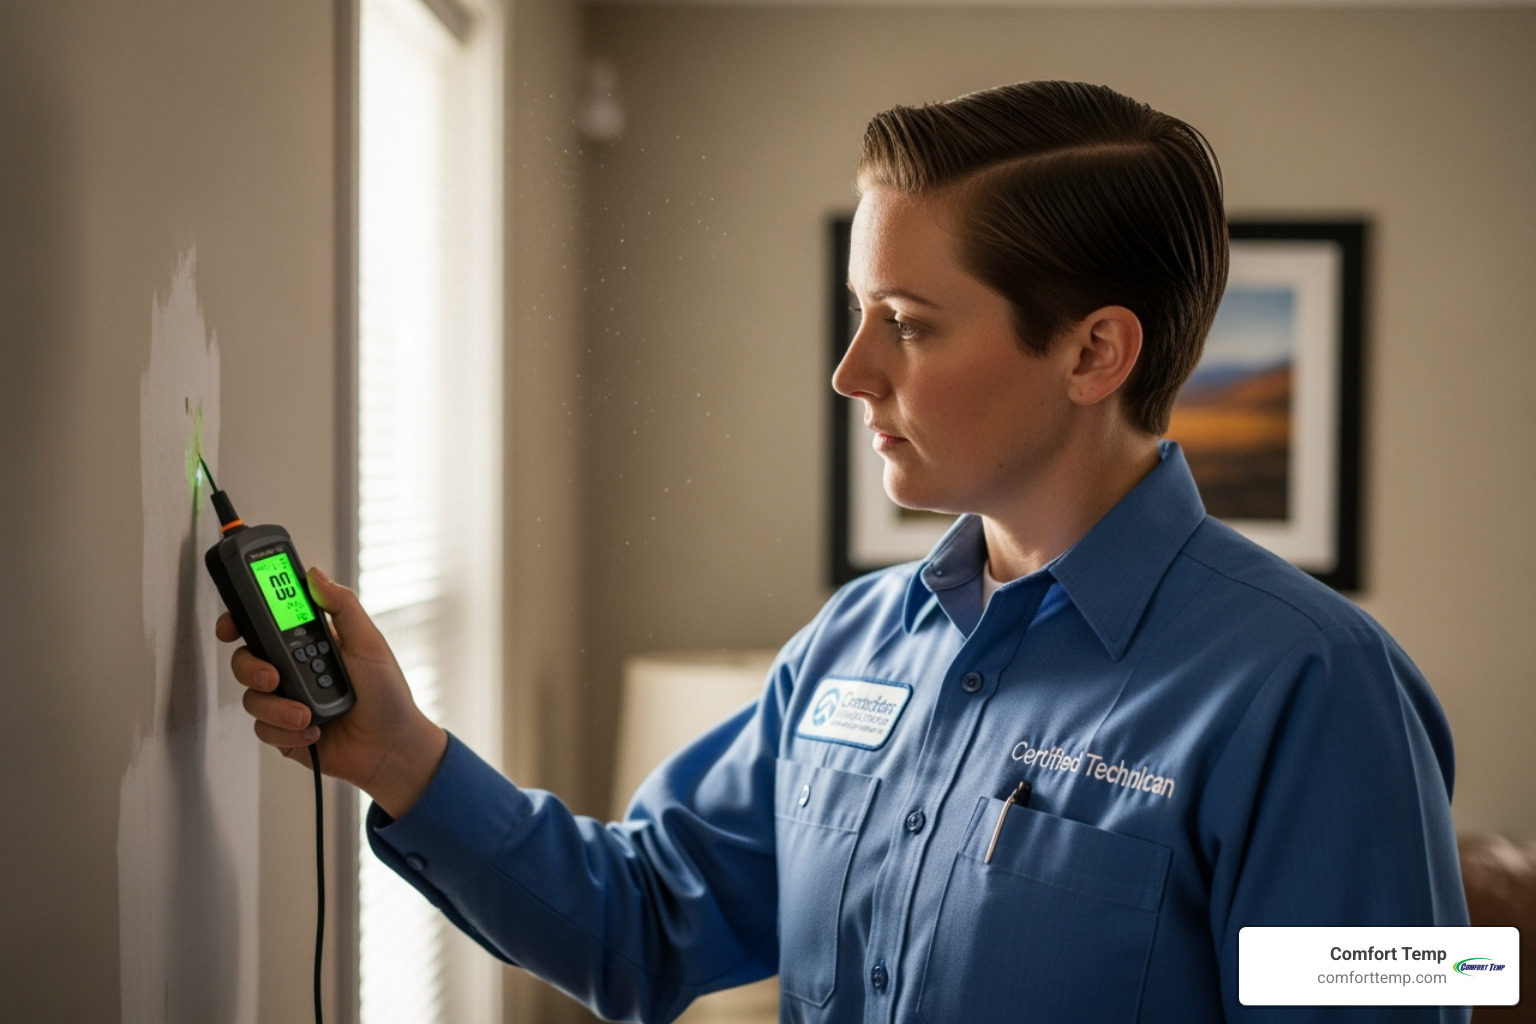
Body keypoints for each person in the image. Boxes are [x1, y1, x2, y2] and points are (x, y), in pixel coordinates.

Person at [222, 81, 1469, 1023]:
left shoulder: (1318, 688)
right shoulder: (856, 643)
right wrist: (399, 754)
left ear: (1095, 353)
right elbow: (645, 919)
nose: (851, 371)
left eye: (910, 326)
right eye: (858, 311)